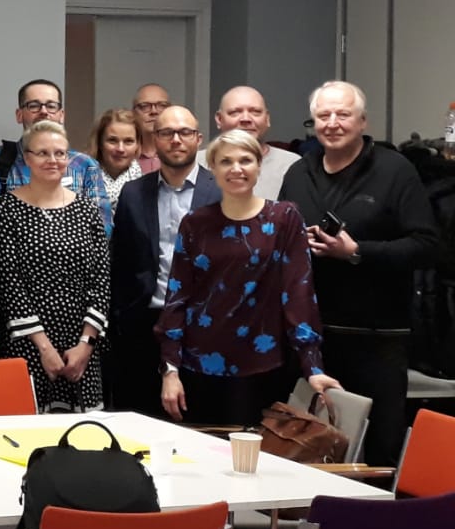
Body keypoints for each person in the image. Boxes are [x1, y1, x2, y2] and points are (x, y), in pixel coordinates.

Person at [279, 81, 437, 465]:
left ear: (363, 121)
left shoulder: (395, 170)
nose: (332, 123)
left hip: (377, 338)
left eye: (343, 114)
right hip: (311, 339)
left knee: (378, 451)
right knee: (309, 449)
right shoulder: (299, 172)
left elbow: (428, 246)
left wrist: (356, 252)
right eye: (323, 115)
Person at [159, 130, 340, 426]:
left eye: (245, 160)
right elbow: (177, 296)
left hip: (262, 365)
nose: (236, 169)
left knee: (258, 453)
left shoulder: (284, 218)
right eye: (226, 161)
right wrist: (170, 369)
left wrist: (312, 365)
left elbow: (298, 292)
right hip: (198, 365)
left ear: (258, 166)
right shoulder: (195, 223)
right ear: (212, 169)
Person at [0, 121, 110, 412]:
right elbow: (8, 284)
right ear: (27, 159)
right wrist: (44, 347)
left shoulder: (87, 210)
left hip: (80, 348)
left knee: (83, 433)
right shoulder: (6, 210)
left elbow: (101, 281)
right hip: (27, 345)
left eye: (60, 153)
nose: (52, 160)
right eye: (43, 153)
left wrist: (85, 344)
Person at [108, 105, 219, 416]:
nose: (176, 140)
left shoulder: (221, 192)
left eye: (184, 132)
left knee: (200, 423)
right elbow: (121, 261)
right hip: (143, 326)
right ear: (154, 139)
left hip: (203, 326)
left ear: (198, 139)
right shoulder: (133, 193)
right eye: (167, 133)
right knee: (138, 421)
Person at [0, 79, 113, 234]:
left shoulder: (84, 165)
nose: (43, 111)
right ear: (19, 115)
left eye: (51, 106)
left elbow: (102, 225)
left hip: (76, 248)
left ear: (62, 115)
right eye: (34, 105)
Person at [200, 86, 302, 201]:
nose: (246, 119)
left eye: (255, 112)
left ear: (267, 119)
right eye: (235, 112)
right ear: (219, 119)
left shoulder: (293, 165)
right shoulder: (197, 164)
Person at [90, 108, 143, 206]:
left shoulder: (147, 187)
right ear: (99, 143)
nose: (120, 149)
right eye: (112, 140)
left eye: (128, 141)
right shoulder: (81, 180)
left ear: (137, 145)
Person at [131, 83, 171, 173]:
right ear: (133, 113)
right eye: (144, 106)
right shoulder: (123, 155)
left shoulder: (182, 154)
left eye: (162, 105)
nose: (154, 111)